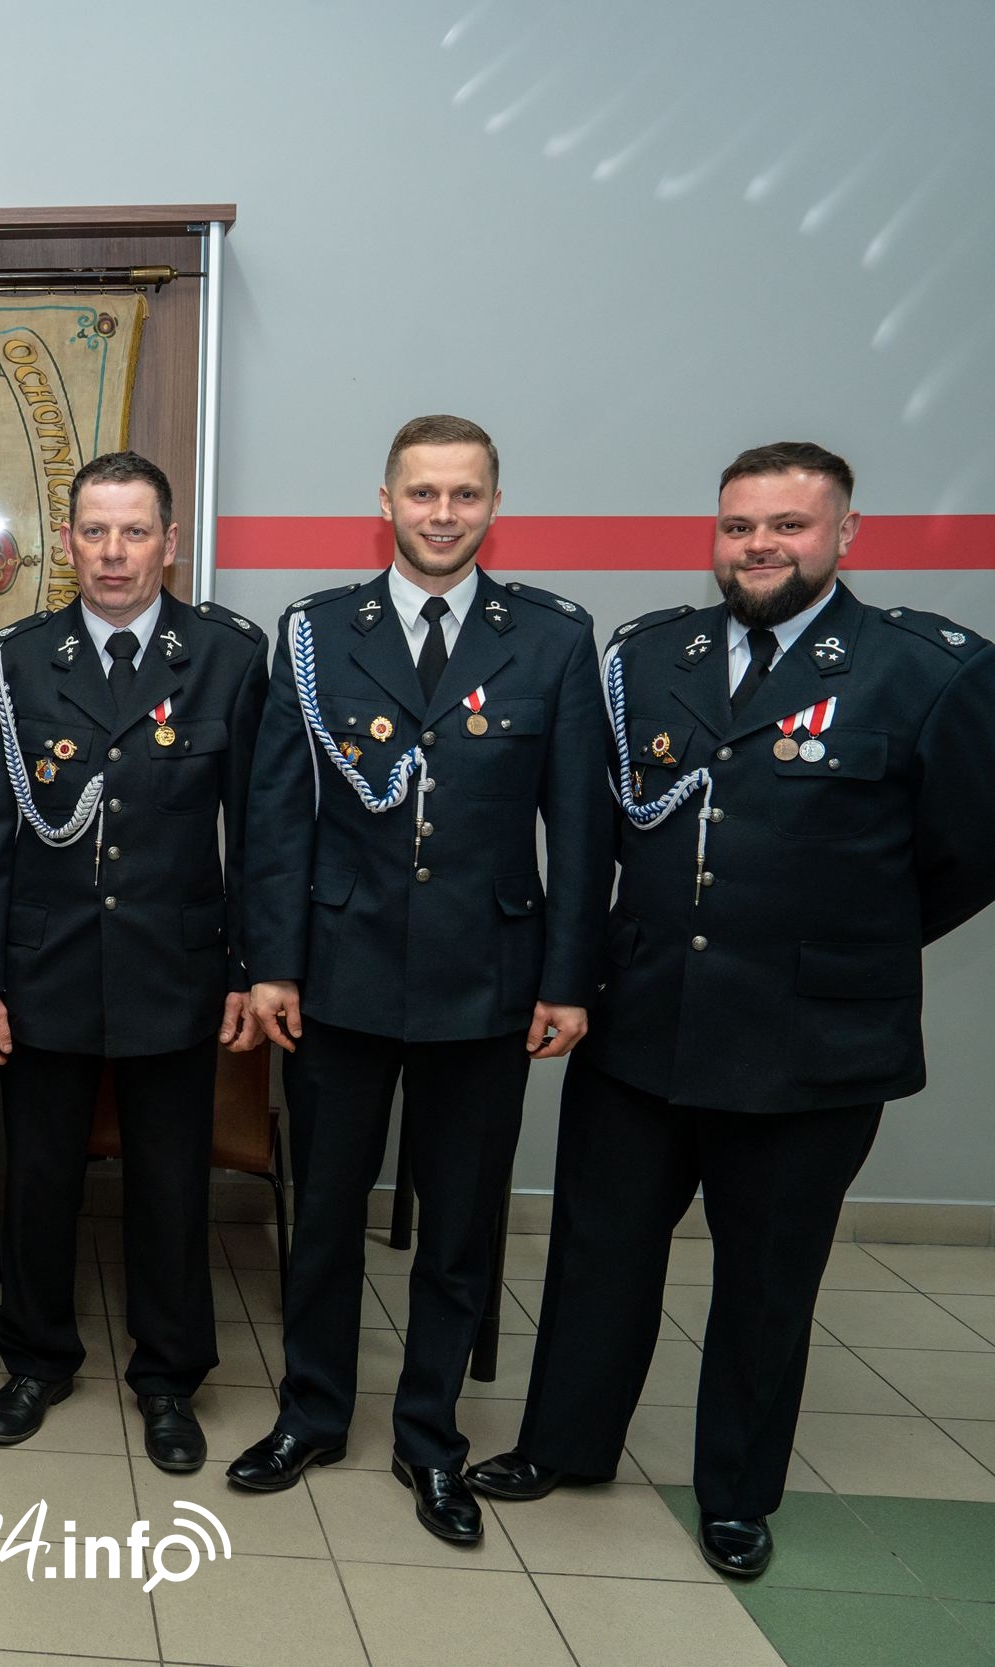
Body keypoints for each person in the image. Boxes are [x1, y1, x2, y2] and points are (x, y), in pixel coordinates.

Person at [471, 442, 995, 1577]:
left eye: (787, 525)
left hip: (810, 1044)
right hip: (644, 1021)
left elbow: (968, 850)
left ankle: (735, 1490)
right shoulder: (651, 656)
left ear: (845, 533)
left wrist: (847, 938)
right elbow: (601, 832)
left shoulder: (927, 670)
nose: (759, 545)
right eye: (738, 526)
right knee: (596, 1252)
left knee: (766, 1280)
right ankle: (562, 1442)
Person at [227, 415, 610, 1543]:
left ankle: (429, 1435)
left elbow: (578, 828)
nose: (442, 514)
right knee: (326, 1216)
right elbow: (272, 819)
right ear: (383, 501)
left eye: (464, 494)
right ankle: (311, 1411)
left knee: (457, 1226)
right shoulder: (314, 632)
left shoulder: (547, 638)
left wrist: (566, 977)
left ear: (494, 505)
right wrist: (273, 965)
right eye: (422, 493)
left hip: (486, 981)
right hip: (336, 977)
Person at [0, 451, 266, 1472]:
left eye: (136, 531)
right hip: (42, 965)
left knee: (170, 1183)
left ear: (169, 543)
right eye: (95, 530)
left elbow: (257, 827)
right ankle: (37, 1357)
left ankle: (169, 1376)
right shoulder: (16, 660)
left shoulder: (223, 655)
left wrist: (249, 966)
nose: (114, 552)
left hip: (174, 967)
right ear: (69, 540)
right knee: (36, 1175)